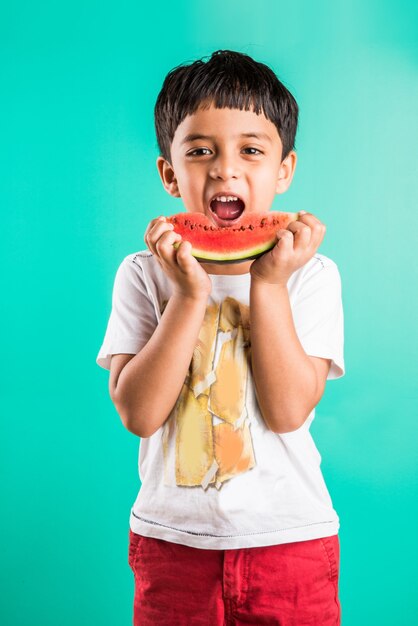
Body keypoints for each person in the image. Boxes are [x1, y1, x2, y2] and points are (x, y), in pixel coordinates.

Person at [96, 49, 345, 626]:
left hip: (291, 541)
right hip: (171, 545)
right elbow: (137, 412)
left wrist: (271, 284)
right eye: (200, 151)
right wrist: (187, 295)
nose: (226, 169)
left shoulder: (313, 274)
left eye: (251, 151)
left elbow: (286, 412)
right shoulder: (142, 272)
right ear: (169, 174)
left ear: (284, 170)